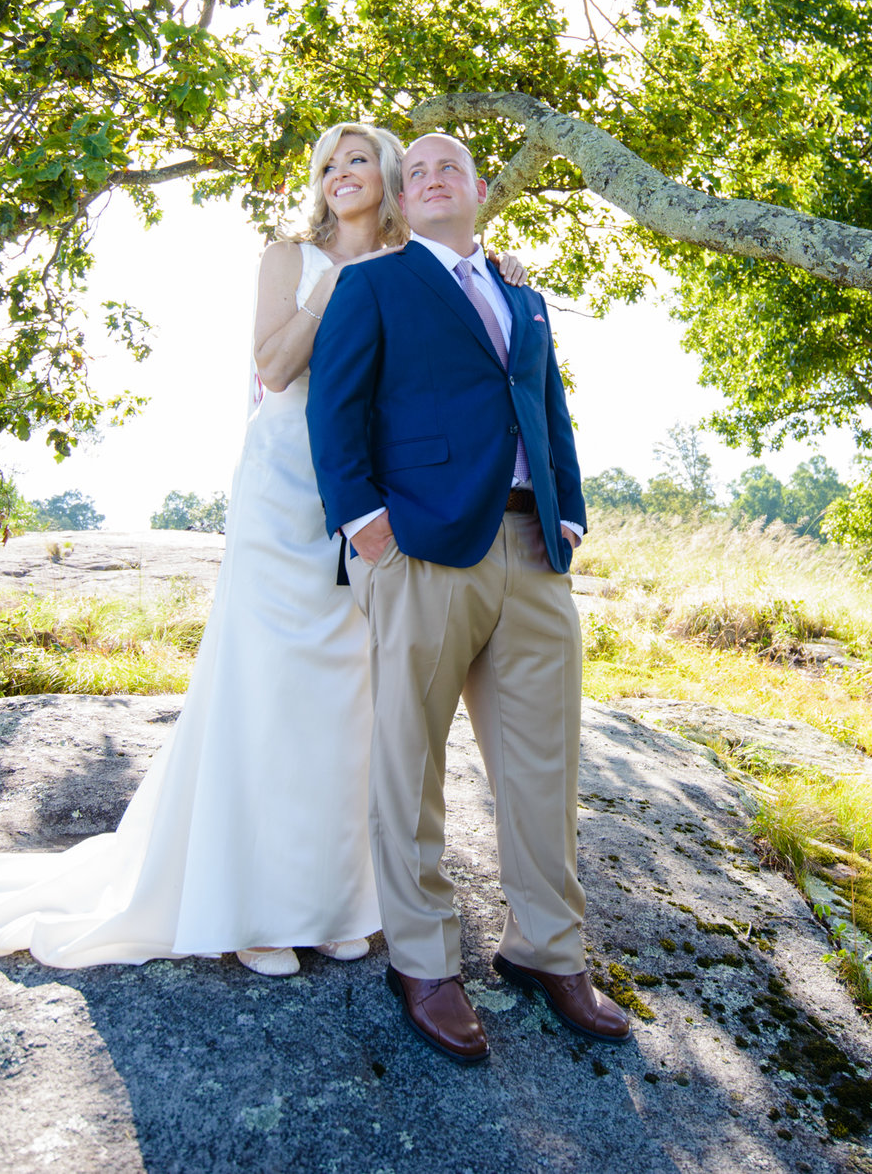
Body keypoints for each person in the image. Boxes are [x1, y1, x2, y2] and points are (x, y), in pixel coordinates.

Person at [0, 122, 528, 977]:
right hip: (286, 489)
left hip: (374, 491)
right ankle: (250, 905)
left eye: (358, 159)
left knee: (350, 696)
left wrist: (504, 270)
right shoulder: (288, 259)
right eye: (327, 164)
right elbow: (275, 369)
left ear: (389, 177)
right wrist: (337, 291)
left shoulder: (411, 268)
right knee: (269, 688)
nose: (340, 173)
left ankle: (329, 899)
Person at [305, 132, 630, 1065]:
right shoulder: (373, 283)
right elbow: (338, 410)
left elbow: (550, 410)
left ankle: (549, 950)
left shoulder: (525, 295)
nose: (435, 176)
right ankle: (424, 961)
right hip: (423, 550)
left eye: (453, 165)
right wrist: (365, 525)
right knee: (411, 762)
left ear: (480, 188)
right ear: (405, 198)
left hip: (534, 549)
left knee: (545, 761)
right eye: (419, 171)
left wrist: (568, 517)